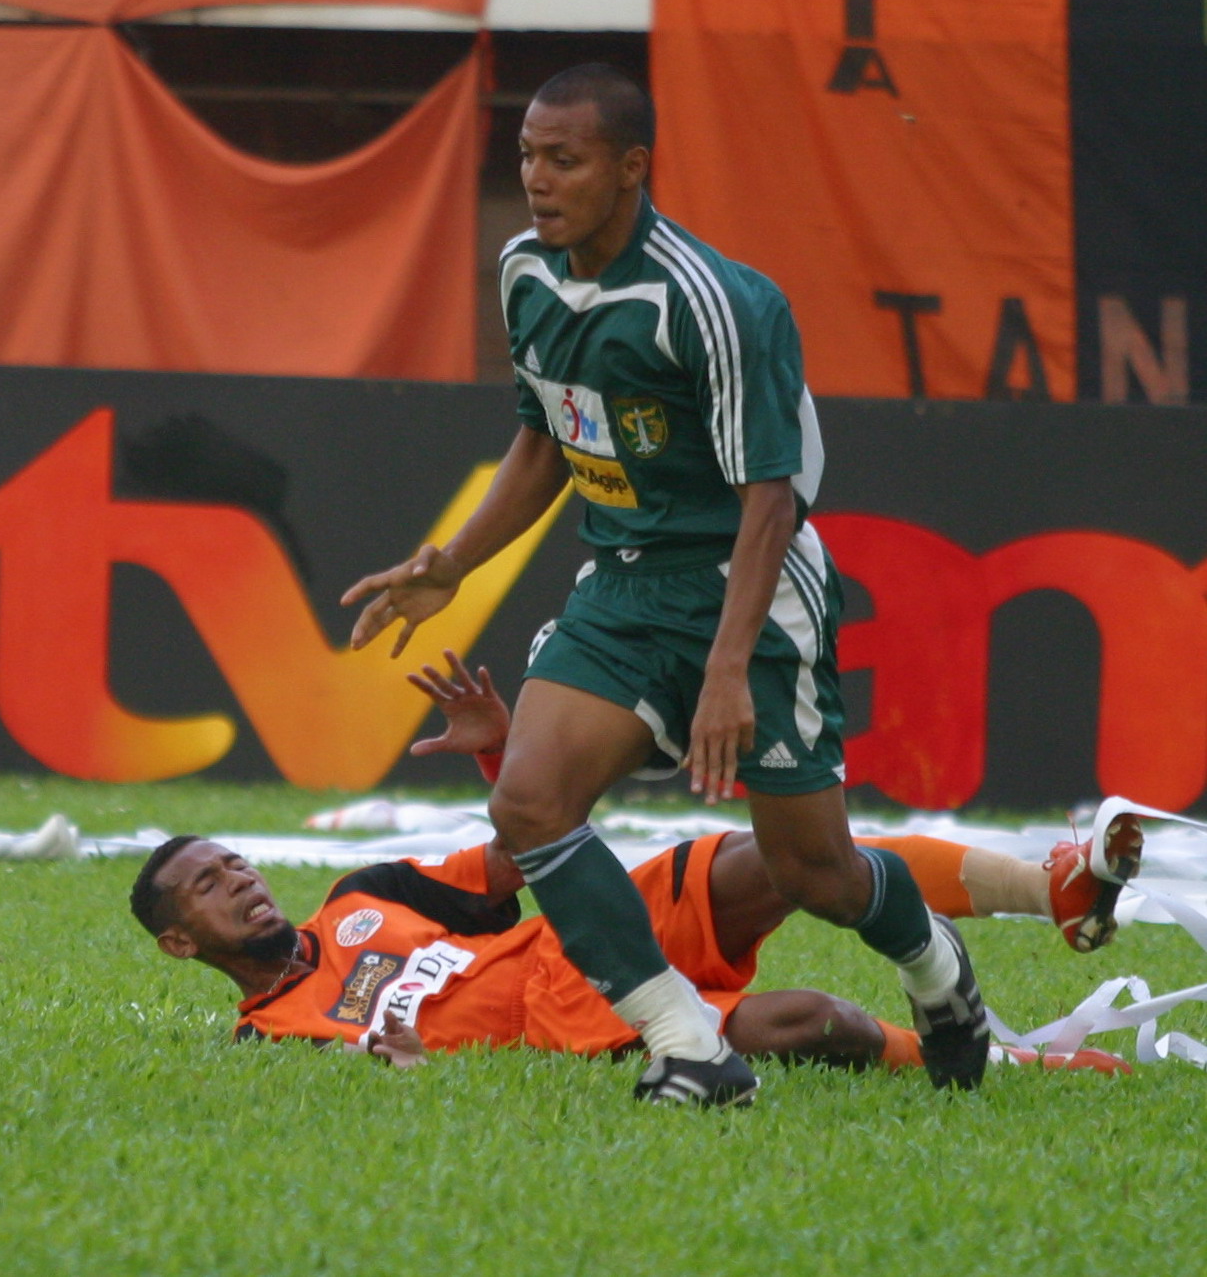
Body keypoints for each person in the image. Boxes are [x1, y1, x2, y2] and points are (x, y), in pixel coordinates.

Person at [341, 63, 988, 1104]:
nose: (538, 180)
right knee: (529, 800)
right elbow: (547, 440)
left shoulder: (718, 302)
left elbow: (770, 502)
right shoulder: (523, 272)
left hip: (751, 587)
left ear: (630, 167)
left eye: (565, 159)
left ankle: (935, 967)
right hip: (624, 588)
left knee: (813, 875)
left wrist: (726, 673)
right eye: (526, 157)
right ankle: (688, 1045)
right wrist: (449, 565)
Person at [129, 657, 1145, 1085]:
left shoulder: (364, 898)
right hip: (557, 1021)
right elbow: (388, 1072)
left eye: (237, 864)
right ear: (182, 943)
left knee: (790, 857)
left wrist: (501, 759)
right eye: (211, 887)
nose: (244, 882)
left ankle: (1047, 887)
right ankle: (1018, 1064)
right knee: (815, 1025)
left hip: (587, 931)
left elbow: (522, 850)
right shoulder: (268, 1040)